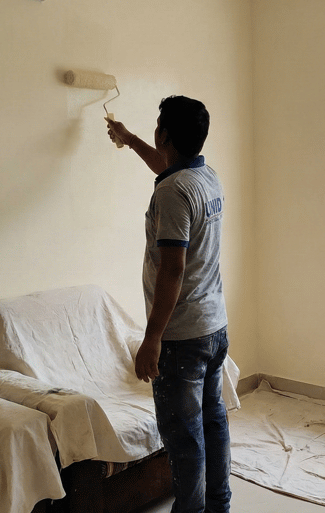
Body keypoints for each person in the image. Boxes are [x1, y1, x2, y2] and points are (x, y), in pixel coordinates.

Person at [106, 96, 231, 513]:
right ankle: (219, 506)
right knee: (212, 423)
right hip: (214, 326)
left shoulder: (173, 194)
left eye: (157, 125)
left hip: (182, 337)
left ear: (167, 135)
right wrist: (129, 139)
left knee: (185, 439)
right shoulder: (204, 175)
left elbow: (172, 270)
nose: (155, 129)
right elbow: (166, 167)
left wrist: (151, 339)